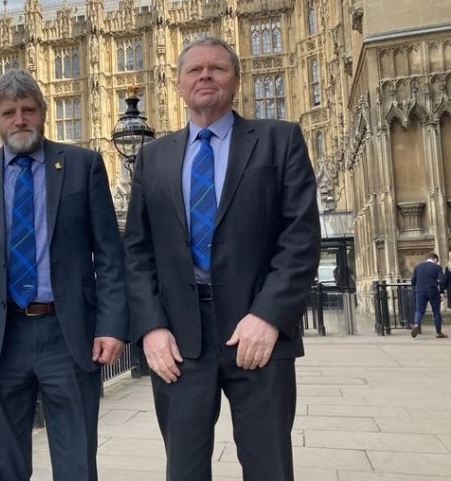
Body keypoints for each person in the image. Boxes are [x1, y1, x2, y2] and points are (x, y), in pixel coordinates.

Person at [123, 36, 320, 481]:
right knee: (185, 469)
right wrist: (151, 327)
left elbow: (301, 237)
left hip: (258, 334)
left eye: (217, 68)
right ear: (177, 85)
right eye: (194, 70)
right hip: (179, 340)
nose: (205, 76)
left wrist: (268, 317)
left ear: (236, 79)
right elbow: (136, 251)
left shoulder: (279, 140)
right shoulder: (152, 156)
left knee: (268, 465)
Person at [0, 68, 128, 480]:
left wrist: (112, 325)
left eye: (27, 110)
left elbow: (110, 256)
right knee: (3, 464)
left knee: (76, 462)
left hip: (67, 332)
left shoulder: (83, 166)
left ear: (43, 112)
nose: (19, 120)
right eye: (9, 112)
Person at [410, 252, 446, 338]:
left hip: (420, 290)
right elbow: (441, 281)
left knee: (419, 310)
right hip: (432, 290)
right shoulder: (437, 267)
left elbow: (413, 280)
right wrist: (441, 292)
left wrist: (417, 287)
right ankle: (439, 332)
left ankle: (416, 324)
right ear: (435, 259)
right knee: (436, 311)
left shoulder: (418, 267)